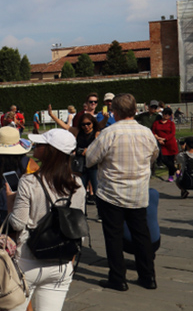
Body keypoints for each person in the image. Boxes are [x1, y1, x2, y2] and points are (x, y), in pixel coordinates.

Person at [0, 128, 85, 311]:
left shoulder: (29, 182)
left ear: (51, 151)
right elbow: (77, 223)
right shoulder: (78, 184)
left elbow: (18, 224)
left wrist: (11, 205)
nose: (35, 147)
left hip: (29, 259)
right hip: (62, 260)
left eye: (40, 144)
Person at [85, 93, 158, 291]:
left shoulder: (110, 133)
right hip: (138, 191)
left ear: (114, 112)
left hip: (112, 192)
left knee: (114, 237)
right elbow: (153, 156)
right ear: (134, 111)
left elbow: (90, 159)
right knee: (141, 235)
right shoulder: (146, 132)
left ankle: (118, 277)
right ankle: (148, 276)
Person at [48, 104, 101, 200]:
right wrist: (51, 115)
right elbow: (65, 126)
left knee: (97, 190)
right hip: (80, 165)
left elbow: (100, 149)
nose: (86, 126)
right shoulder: (78, 132)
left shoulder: (97, 133)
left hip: (94, 166)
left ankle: (101, 212)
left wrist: (89, 150)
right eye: (83, 124)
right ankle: (82, 212)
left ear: (93, 123)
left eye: (88, 124)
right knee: (80, 190)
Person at [152, 108, 179, 181]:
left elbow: (173, 133)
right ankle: (177, 171)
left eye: (169, 114)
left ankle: (171, 176)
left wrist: (165, 139)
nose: (167, 115)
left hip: (170, 143)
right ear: (163, 114)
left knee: (171, 161)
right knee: (163, 159)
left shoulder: (171, 123)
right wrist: (158, 138)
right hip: (162, 145)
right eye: (165, 114)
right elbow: (153, 132)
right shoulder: (157, 123)